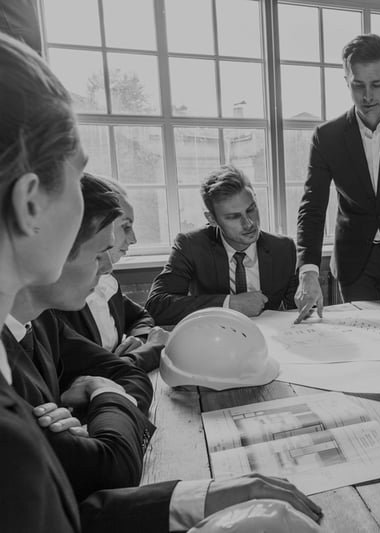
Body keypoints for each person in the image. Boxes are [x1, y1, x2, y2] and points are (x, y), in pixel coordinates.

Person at [0, 32, 320, 533]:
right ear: (30, 204)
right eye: (78, 183)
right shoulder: (12, 421)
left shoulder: (32, 329)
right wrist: (108, 391)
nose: (108, 242)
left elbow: (73, 511)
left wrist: (197, 496)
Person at [3, 173, 155, 501]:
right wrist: (103, 393)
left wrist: (93, 421)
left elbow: (129, 373)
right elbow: (111, 469)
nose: (107, 269)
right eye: (99, 253)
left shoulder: (42, 322)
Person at [294, 33, 380, 321]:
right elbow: (312, 205)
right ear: (346, 81)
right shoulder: (326, 137)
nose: (368, 96)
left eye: (376, 85)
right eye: (358, 85)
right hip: (354, 260)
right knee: (366, 341)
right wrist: (307, 271)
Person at [146, 165, 298, 325]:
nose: (249, 223)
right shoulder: (190, 246)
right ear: (211, 219)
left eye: (251, 209)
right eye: (233, 217)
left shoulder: (284, 248)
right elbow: (156, 305)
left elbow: (296, 310)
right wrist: (229, 304)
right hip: (215, 340)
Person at [56, 175, 167, 372]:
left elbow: (139, 316)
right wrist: (154, 347)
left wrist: (139, 339)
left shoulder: (107, 282)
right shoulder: (62, 296)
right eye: (125, 227)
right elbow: (95, 372)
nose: (133, 239)